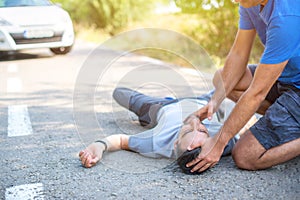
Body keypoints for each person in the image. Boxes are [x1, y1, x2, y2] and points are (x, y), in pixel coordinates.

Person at [186, 0, 300, 173]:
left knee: (245, 155)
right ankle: (284, 121)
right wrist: (215, 102)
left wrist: (219, 142)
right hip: (285, 77)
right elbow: (239, 54)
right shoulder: (249, 3)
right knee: (221, 79)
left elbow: (257, 93)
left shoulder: (287, 17)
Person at [79, 87, 239, 174]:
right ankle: (219, 106)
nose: (196, 123)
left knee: (120, 93)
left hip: (162, 106)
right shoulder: (222, 143)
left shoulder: (156, 143)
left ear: (176, 143)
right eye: (205, 131)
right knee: (234, 80)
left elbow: (120, 141)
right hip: (207, 102)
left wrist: (99, 145)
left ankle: (146, 115)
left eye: (188, 130)